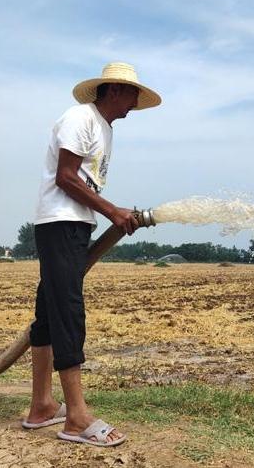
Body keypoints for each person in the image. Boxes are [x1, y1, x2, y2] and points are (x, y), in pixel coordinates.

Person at [22, 62, 161, 446]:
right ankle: (77, 419)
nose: (135, 102)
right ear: (114, 90)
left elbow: (82, 180)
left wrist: (108, 214)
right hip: (60, 222)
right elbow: (65, 178)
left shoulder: (105, 129)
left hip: (75, 224)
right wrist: (113, 211)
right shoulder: (80, 118)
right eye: (133, 93)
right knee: (68, 311)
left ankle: (42, 407)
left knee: (49, 313)